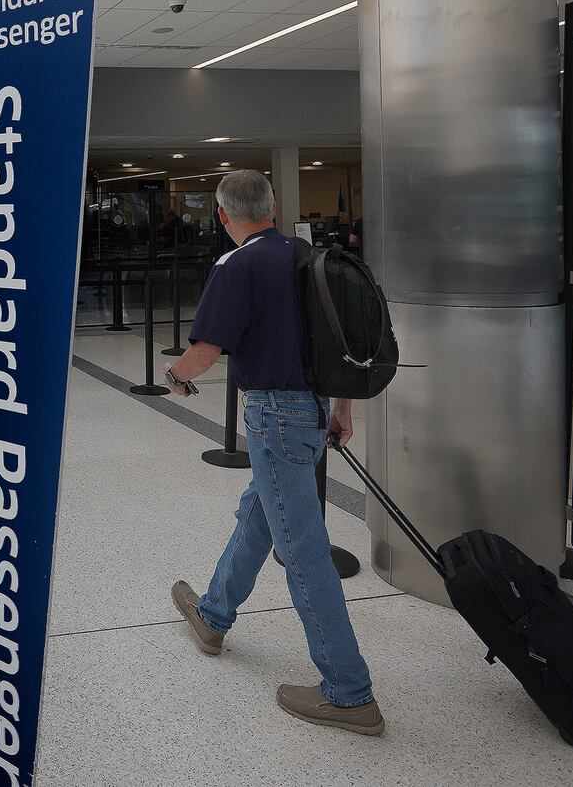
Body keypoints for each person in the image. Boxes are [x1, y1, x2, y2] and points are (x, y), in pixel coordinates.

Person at [163, 169, 383, 736]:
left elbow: (207, 348)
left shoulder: (235, 265)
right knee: (261, 511)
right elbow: (337, 345)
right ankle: (213, 615)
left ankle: (349, 692)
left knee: (302, 548)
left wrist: (176, 375)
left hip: (273, 416)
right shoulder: (306, 257)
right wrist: (342, 410)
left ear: (221, 214)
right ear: (274, 205)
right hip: (309, 408)